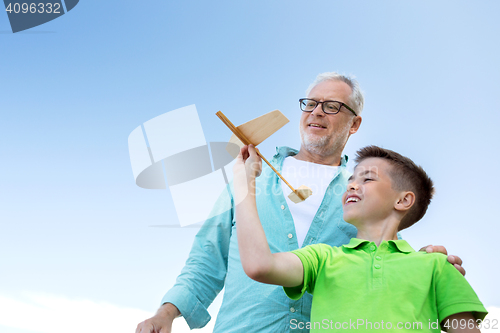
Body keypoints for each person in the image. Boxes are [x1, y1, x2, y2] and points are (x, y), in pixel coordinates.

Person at [136, 72, 465, 333]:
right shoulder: (250, 181)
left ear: (355, 123)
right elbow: (207, 261)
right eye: (310, 103)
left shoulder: (360, 196)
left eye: (332, 106)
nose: (317, 112)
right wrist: (166, 314)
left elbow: (382, 255)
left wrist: (425, 267)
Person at [234, 144, 487, 332]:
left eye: (367, 178)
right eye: (351, 180)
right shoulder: (321, 259)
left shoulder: (437, 266)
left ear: (403, 200)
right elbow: (259, 265)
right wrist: (243, 184)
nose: (352, 185)